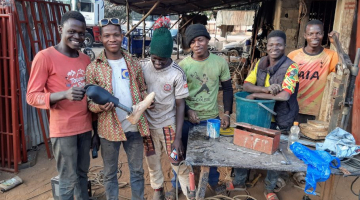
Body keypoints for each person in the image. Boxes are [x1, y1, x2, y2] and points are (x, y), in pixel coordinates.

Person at [26, 11, 92, 200]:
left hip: (85, 128)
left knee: (82, 176)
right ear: (60, 29)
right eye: (72, 31)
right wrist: (64, 94)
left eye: (81, 33)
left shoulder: (85, 59)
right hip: (63, 131)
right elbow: (31, 97)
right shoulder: (45, 57)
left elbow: (90, 97)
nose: (77, 37)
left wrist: (94, 129)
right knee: (67, 179)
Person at [229, 30, 299, 200]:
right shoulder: (260, 62)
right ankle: (239, 181)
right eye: (271, 44)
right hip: (259, 115)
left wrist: (256, 95)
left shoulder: (292, 67)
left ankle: (269, 189)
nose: (275, 48)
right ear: (266, 46)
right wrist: (265, 89)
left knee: (276, 155)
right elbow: (246, 85)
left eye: (279, 45)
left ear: (284, 46)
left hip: (281, 117)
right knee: (247, 145)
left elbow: (284, 96)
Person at [85, 18, 150, 200]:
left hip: (134, 127)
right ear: (101, 38)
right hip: (108, 129)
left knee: (137, 170)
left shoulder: (133, 62)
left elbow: (142, 88)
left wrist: (146, 100)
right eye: (107, 35)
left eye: (116, 34)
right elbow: (89, 103)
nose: (112, 39)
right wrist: (99, 106)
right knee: (109, 173)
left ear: (122, 36)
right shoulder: (93, 68)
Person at [167, 24, 234, 198]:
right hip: (186, 120)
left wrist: (226, 113)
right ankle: (176, 184)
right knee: (180, 153)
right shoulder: (183, 66)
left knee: (211, 154)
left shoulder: (220, 62)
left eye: (200, 40)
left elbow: (227, 89)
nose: (197, 44)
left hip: (211, 119)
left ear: (207, 40)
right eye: (193, 42)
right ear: (189, 45)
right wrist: (188, 111)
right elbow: (177, 96)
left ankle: (212, 181)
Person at [140, 17, 191, 200]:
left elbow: (180, 105)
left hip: (168, 125)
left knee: (178, 162)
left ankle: (189, 193)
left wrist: (178, 137)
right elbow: (137, 91)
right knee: (152, 161)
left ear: (170, 54)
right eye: (154, 58)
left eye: (162, 59)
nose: (158, 63)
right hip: (148, 126)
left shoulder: (177, 73)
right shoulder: (144, 67)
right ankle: (158, 190)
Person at [288, 19, 339, 123]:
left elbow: (344, 69)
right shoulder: (293, 56)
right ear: (305, 35)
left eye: (318, 33)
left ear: (323, 34)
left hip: (316, 112)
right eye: (310, 34)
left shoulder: (331, 55)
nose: (314, 37)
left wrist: (337, 44)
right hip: (293, 108)